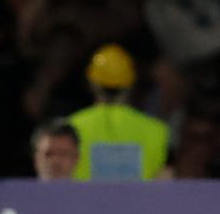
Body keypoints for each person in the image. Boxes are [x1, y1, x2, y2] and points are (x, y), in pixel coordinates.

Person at [69, 43, 170, 180]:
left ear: (92, 82)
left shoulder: (72, 126)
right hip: (139, 202)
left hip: (83, 201)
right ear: (131, 83)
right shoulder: (157, 131)